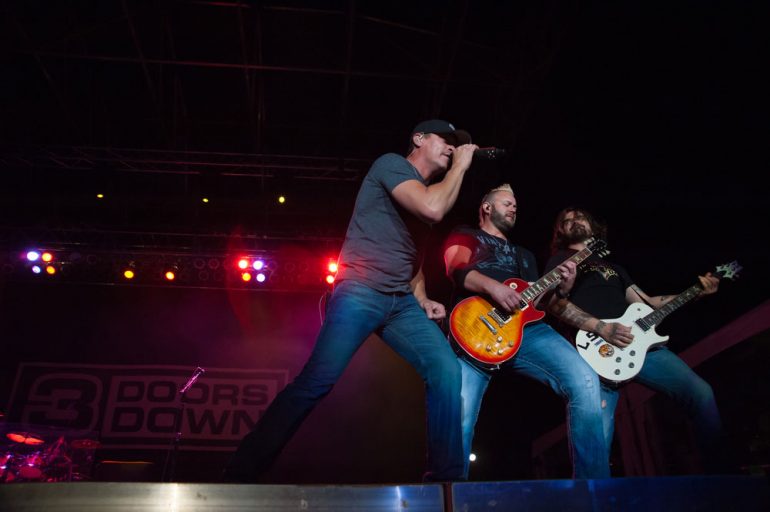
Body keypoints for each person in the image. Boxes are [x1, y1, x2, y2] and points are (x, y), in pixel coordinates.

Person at [224, 120, 479, 482]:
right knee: (317, 381)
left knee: (446, 369)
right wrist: (460, 168)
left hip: (400, 301)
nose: (452, 148)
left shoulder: (428, 191)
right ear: (418, 139)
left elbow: (411, 256)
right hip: (361, 289)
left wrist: (421, 297)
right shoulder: (392, 165)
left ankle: (446, 482)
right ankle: (241, 472)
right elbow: (433, 209)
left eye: (457, 144)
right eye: (445, 140)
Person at [443, 184, 610, 479]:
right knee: (459, 413)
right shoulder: (465, 234)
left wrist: (564, 287)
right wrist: (494, 288)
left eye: (516, 206)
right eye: (507, 203)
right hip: (475, 327)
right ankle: (447, 490)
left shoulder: (525, 256)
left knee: (585, 379)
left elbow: (539, 302)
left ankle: (593, 486)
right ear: (487, 207)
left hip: (528, 330)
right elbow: (455, 268)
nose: (513, 208)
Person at [545, 207, 724, 473]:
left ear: (593, 226)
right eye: (566, 220)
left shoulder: (614, 268)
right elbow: (554, 304)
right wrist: (602, 328)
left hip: (639, 344)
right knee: (596, 438)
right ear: (560, 232)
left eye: (579, 216)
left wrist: (696, 292)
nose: (573, 220)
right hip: (596, 352)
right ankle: (591, 494)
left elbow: (649, 304)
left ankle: (721, 476)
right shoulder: (560, 260)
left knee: (701, 393)